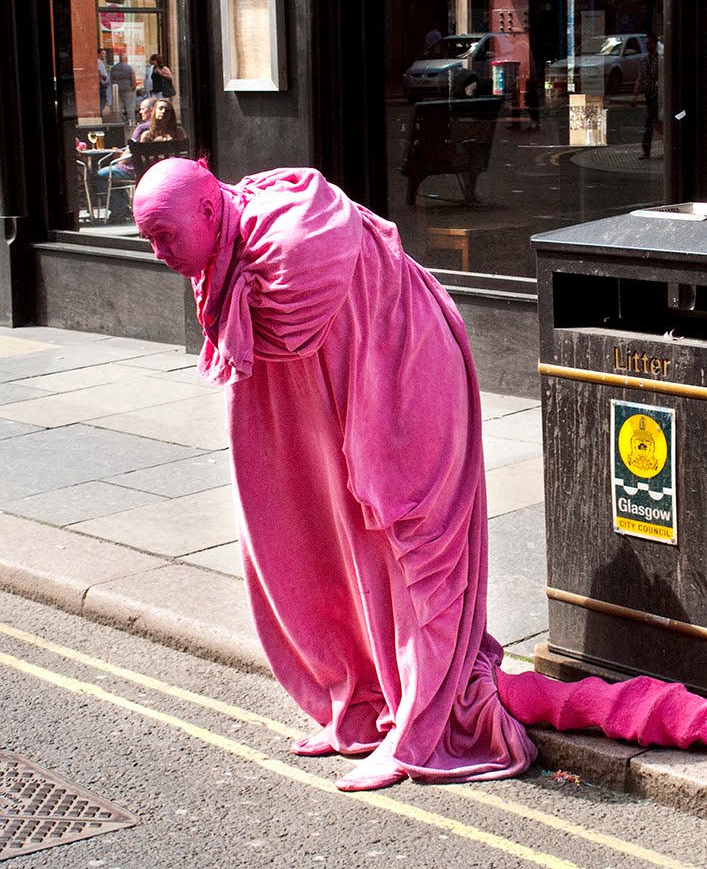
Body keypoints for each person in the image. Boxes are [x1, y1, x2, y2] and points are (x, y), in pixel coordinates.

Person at [133, 160, 707, 793]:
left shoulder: (292, 245)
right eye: (148, 240)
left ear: (212, 210)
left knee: (417, 559)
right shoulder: (230, 245)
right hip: (348, 394)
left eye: (165, 235)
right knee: (331, 547)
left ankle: (421, 730)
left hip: (406, 394)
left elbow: (285, 331)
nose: (160, 254)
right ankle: (368, 700)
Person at [94, 98, 157, 221]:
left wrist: (119, 159)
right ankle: (123, 207)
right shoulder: (161, 127)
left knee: (100, 175)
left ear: (151, 111)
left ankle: (120, 209)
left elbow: (130, 152)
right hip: (152, 168)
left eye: (143, 109)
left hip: (133, 169)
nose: (140, 112)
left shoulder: (142, 128)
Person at [633, 31, 661, 159]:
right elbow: (640, 78)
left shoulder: (660, 60)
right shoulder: (644, 61)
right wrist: (636, 95)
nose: (647, 46)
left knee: (651, 122)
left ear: (655, 44)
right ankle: (646, 150)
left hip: (659, 96)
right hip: (649, 95)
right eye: (646, 44)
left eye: (649, 43)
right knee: (654, 122)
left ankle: (647, 150)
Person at [110, 51, 137, 126]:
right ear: (125, 58)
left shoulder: (114, 68)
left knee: (119, 107)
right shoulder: (129, 67)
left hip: (117, 90)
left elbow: (111, 79)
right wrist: (133, 87)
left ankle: (121, 123)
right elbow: (133, 79)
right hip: (128, 90)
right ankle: (131, 122)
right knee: (130, 107)